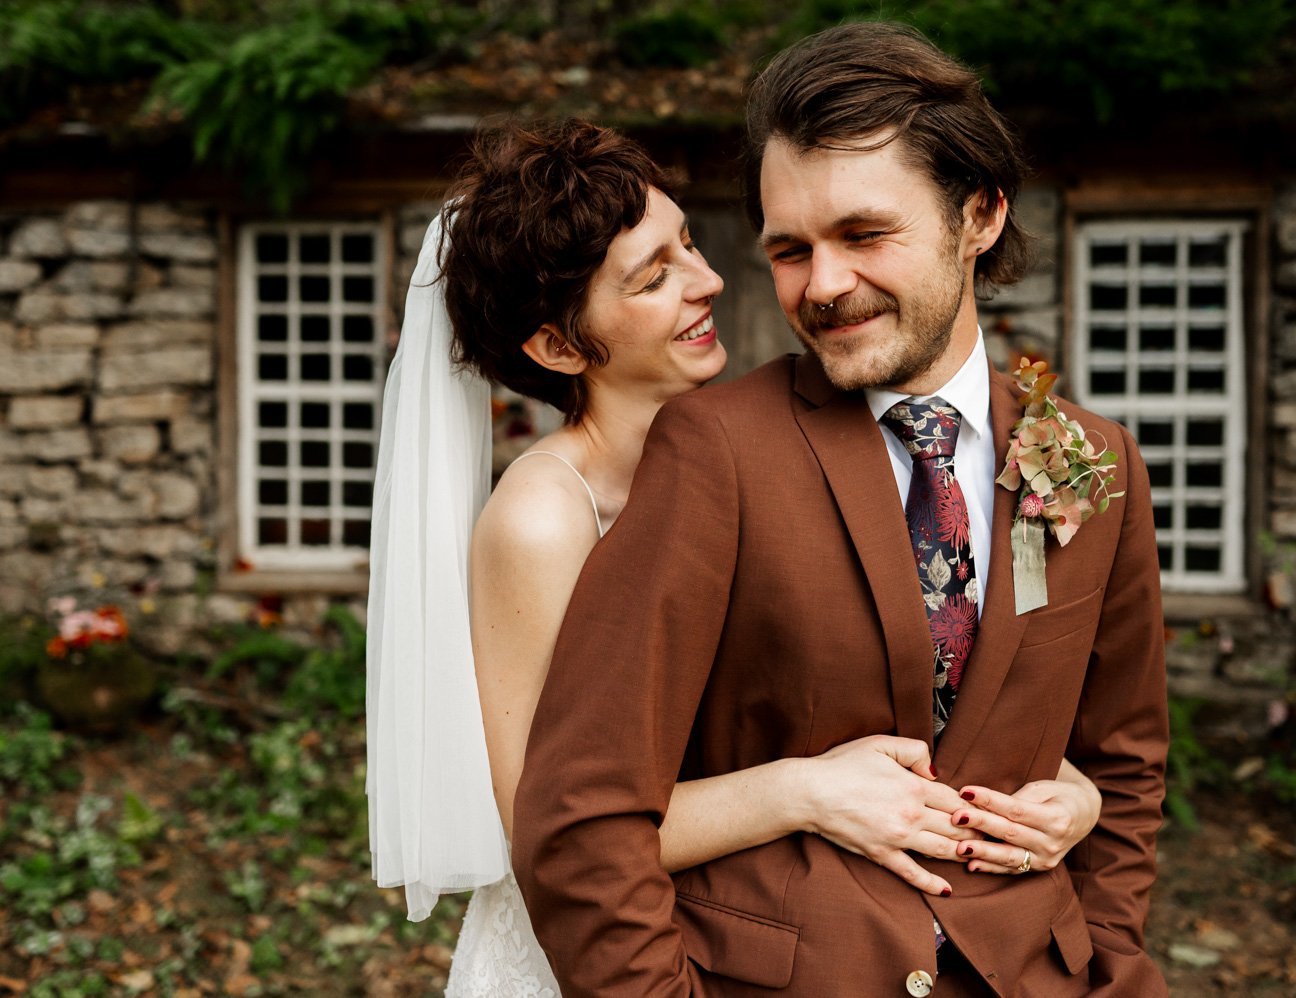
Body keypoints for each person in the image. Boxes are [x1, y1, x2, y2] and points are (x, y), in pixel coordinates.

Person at [364, 118, 1105, 996]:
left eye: (689, 244)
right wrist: (802, 791)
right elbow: (547, 820)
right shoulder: (541, 518)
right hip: (604, 951)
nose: (709, 281)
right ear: (559, 346)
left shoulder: (770, 445)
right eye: (654, 277)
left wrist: (1071, 788)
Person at [512, 22, 1170, 998]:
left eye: (864, 234)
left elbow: (1126, 770)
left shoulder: (1084, 457)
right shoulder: (717, 449)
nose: (822, 285)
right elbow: (581, 815)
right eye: (789, 250)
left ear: (979, 214)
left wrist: (1105, 958)